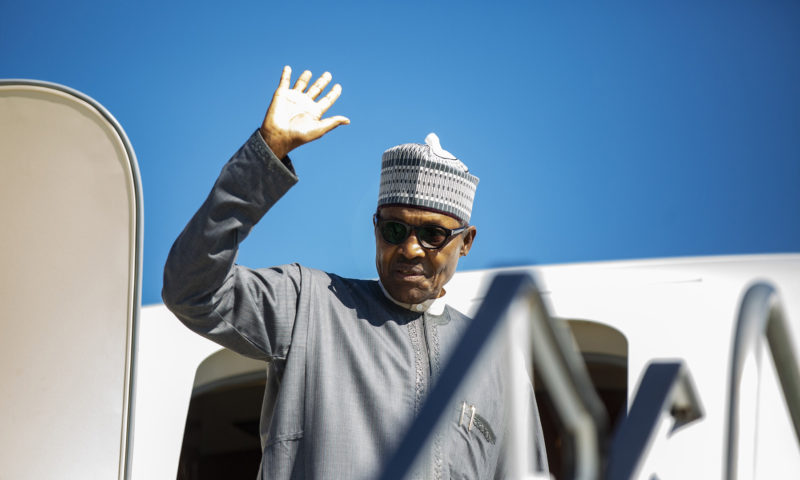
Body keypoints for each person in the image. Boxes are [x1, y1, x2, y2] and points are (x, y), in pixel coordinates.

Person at [163, 66, 547, 479]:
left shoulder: (497, 363)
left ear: (466, 242)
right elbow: (192, 289)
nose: (410, 248)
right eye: (394, 229)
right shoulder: (308, 307)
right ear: (376, 227)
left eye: (433, 235)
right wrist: (266, 154)